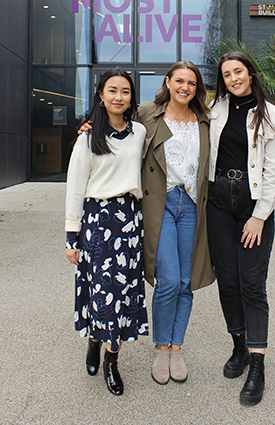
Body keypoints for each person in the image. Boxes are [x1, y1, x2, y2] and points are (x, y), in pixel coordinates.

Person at [79, 61, 215, 385]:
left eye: (191, 83)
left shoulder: (206, 119)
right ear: (167, 82)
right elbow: (115, 125)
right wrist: (89, 127)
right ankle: (160, 349)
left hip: (193, 204)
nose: (184, 87)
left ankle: (176, 348)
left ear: (197, 89)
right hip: (161, 204)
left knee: (185, 281)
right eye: (179, 81)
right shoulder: (146, 113)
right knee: (167, 280)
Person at [207, 51, 275, 405]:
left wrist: (260, 215)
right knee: (228, 281)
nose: (233, 78)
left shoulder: (271, 116)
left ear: (250, 73)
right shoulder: (215, 109)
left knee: (252, 284)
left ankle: (257, 364)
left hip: (253, 204)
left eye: (237, 71)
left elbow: (273, 171)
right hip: (220, 200)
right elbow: (171, 116)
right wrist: (97, 121)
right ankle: (238, 346)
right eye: (226, 74)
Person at [65, 68, 148, 396]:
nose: (118, 97)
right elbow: (75, 187)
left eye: (125, 91)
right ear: (100, 95)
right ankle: (94, 341)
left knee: (123, 290)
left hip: (129, 220)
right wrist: (72, 236)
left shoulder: (140, 132)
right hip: (97, 221)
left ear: (131, 97)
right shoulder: (87, 138)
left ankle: (112, 360)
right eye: (112, 90)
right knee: (101, 291)